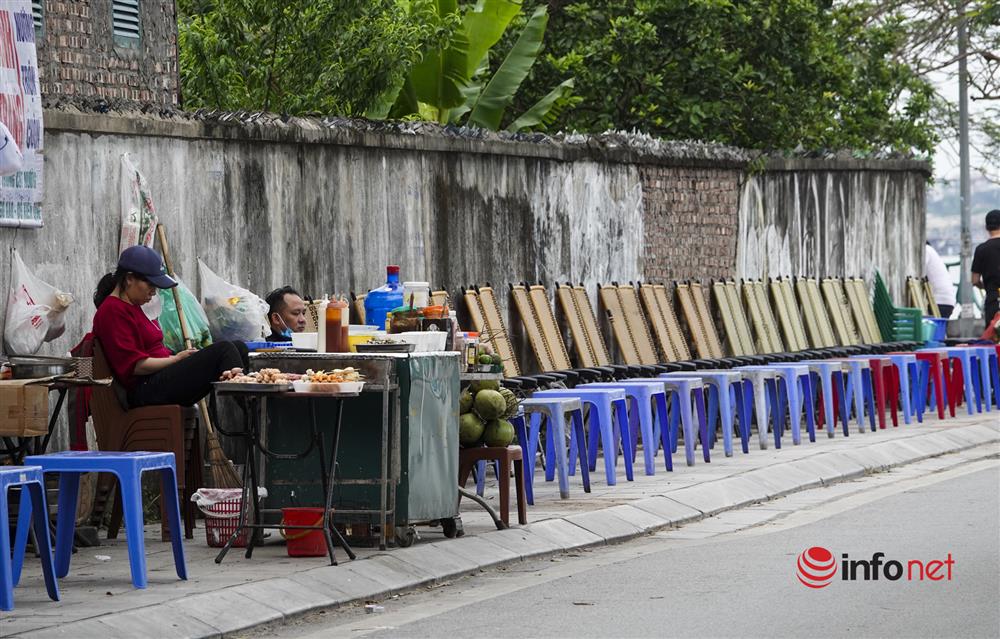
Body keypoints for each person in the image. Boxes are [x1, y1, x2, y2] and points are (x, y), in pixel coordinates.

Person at [93, 245, 249, 407]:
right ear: (129, 278)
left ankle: (249, 410)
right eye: (150, 285)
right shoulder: (112, 310)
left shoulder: (133, 305)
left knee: (239, 347)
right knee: (224, 350)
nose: (153, 292)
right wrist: (175, 359)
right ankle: (251, 415)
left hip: (160, 377)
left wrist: (179, 358)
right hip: (145, 388)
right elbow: (136, 366)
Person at [972, 209, 1000, 328]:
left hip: (993, 300)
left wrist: (988, 287)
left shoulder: (981, 249)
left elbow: (975, 280)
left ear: (986, 227)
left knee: (994, 337)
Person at [925, 242, 955, 319]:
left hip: (938, 302)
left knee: (933, 330)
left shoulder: (926, 250)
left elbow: (919, 274)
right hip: (948, 302)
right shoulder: (932, 252)